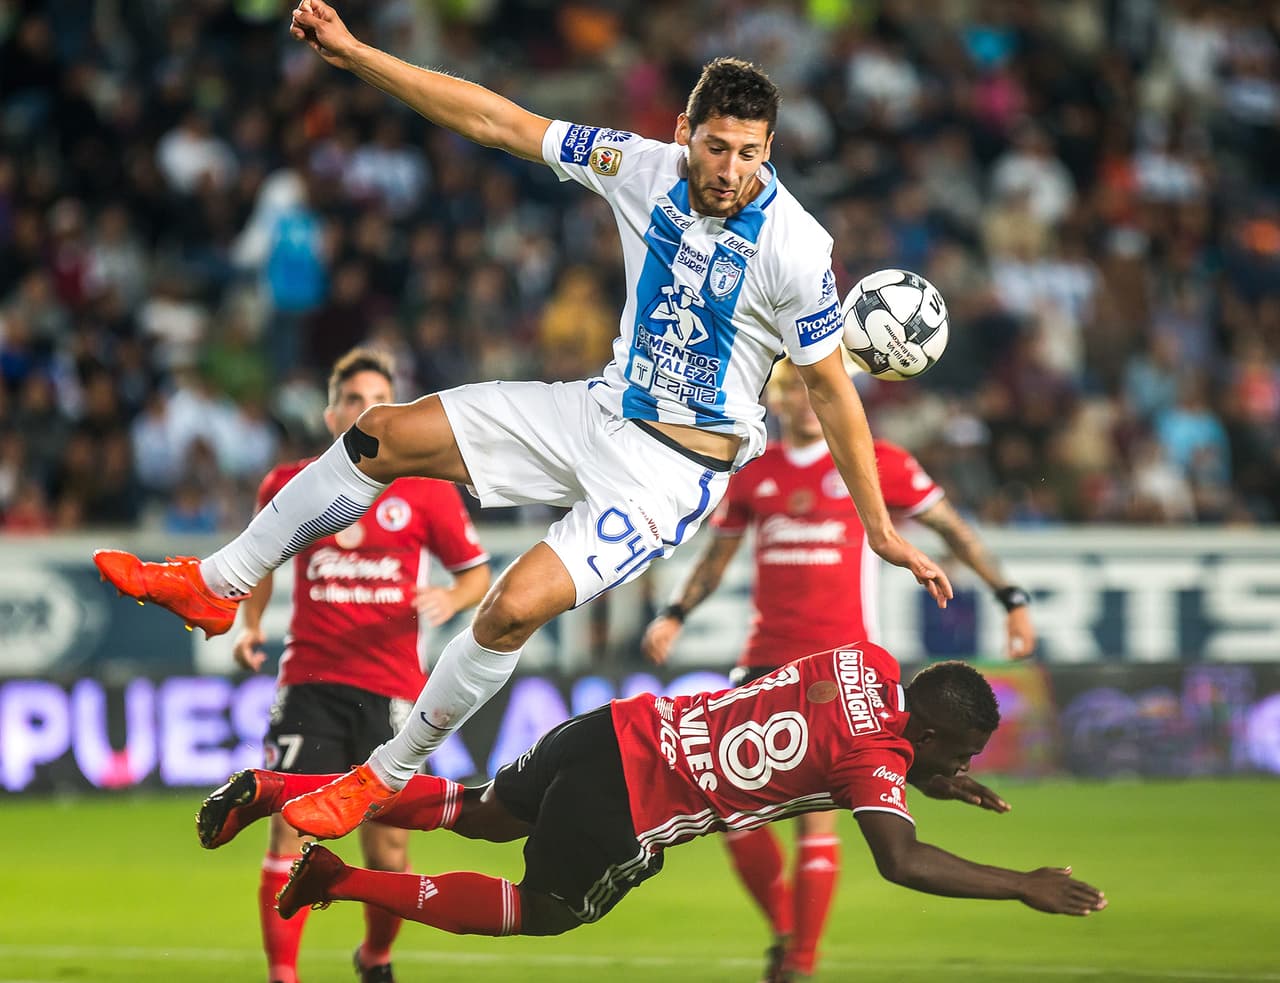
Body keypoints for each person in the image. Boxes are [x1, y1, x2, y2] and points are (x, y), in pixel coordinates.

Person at [94, 0, 953, 844]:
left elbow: (833, 390)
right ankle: (219, 581)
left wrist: (876, 522)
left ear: (771, 151)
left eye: (750, 154)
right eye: (717, 146)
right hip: (598, 409)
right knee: (381, 434)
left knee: (510, 609)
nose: (730, 169)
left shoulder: (797, 249)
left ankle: (384, 773)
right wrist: (357, 55)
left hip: (670, 473)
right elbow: (498, 120)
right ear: (685, 130)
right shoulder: (638, 164)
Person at [195, 647, 1106, 959]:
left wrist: (926, 771)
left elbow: (809, 710)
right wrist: (1020, 882)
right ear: (937, 736)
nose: (963, 762)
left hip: (614, 726)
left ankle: (272, 789)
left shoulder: (860, 663)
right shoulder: (875, 763)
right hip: (634, 803)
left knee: (477, 807)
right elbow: (900, 859)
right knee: (544, 912)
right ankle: (340, 878)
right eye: (961, 751)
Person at [641, 358, 1038, 981]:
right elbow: (717, 557)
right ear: (772, 398)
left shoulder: (877, 462)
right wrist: (676, 612)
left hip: (845, 669)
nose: (802, 400)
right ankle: (786, 928)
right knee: (726, 809)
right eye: (788, 389)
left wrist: (1010, 598)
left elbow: (953, 531)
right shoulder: (752, 470)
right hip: (765, 661)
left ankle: (799, 960)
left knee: (815, 818)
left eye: (813, 387)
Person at [235, 348, 492, 983]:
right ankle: (284, 976)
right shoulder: (288, 483)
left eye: (378, 398)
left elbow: (476, 575)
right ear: (331, 414)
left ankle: (375, 956)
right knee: (288, 831)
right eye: (353, 399)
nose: (365, 409)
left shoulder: (426, 492)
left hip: (393, 689)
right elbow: (260, 559)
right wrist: (250, 623)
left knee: (389, 849)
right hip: (310, 682)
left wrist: (450, 597)